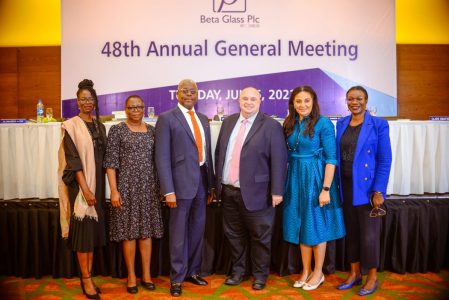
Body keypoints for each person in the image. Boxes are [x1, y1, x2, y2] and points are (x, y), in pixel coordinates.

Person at [215, 87, 288, 290]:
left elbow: (279, 160)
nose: (248, 102)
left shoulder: (271, 125)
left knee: (260, 237)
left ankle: (259, 275)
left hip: (260, 193)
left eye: (253, 99)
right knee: (233, 235)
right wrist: (217, 185)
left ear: (260, 100)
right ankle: (239, 272)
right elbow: (220, 153)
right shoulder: (229, 122)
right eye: (245, 98)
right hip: (229, 191)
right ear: (239, 100)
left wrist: (277, 191)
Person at [155, 79, 215, 297]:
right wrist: (168, 190)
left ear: (197, 95)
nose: (189, 94)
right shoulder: (166, 118)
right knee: (179, 233)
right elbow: (161, 157)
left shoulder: (202, 118)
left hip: (202, 181)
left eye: (193, 91)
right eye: (185, 91)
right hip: (179, 186)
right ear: (177, 94)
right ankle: (177, 278)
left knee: (197, 230)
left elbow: (207, 153)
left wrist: (211, 185)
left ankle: (193, 271)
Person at [282, 86, 345, 291]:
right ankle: (306, 270)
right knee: (301, 223)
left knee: (316, 225)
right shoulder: (291, 122)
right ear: (293, 103)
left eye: (306, 101)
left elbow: (331, 159)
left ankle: (318, 272)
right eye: (298, 101)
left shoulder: (324, 123)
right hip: (296, 178)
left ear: (314, 101)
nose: (303, 105)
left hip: (317, 179)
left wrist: (326, 189)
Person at [104, 95, 164, 294]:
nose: (135, 110)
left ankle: (146, 275)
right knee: (128, 234)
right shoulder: (117, 130)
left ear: (144, 108)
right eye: (131, 107)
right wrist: (113, 190)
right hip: (126, 188)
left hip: (149, 189)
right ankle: (131, 276)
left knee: (146, 233)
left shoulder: (153, 131)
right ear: (125, 109)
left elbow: (159, 161)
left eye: (139, 107)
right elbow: (110, 163)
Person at [335, 86, 392, 296]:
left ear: (366, 101)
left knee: (369, 236)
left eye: (359, 98)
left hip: (368, 190)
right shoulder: (341, 123)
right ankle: (354, 273)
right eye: (350, 99)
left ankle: (372, 277)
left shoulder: (378, 125)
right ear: (346, 101)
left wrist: (379, 190)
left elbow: (385, 160)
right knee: (352, 233)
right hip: (346, 187)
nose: (354, 102)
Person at [58, 79, 107, 299]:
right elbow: (74, 160)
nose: (87, 102)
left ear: (95, 102)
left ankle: (89, 274)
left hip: (97, 185)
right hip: (81, 185)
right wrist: (85, 189)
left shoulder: (100, 126)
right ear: (77, 102)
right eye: (83, 99)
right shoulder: (71, 125)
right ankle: (85, 279)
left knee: (92, 234)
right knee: (84, 234)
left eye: (90, 99)